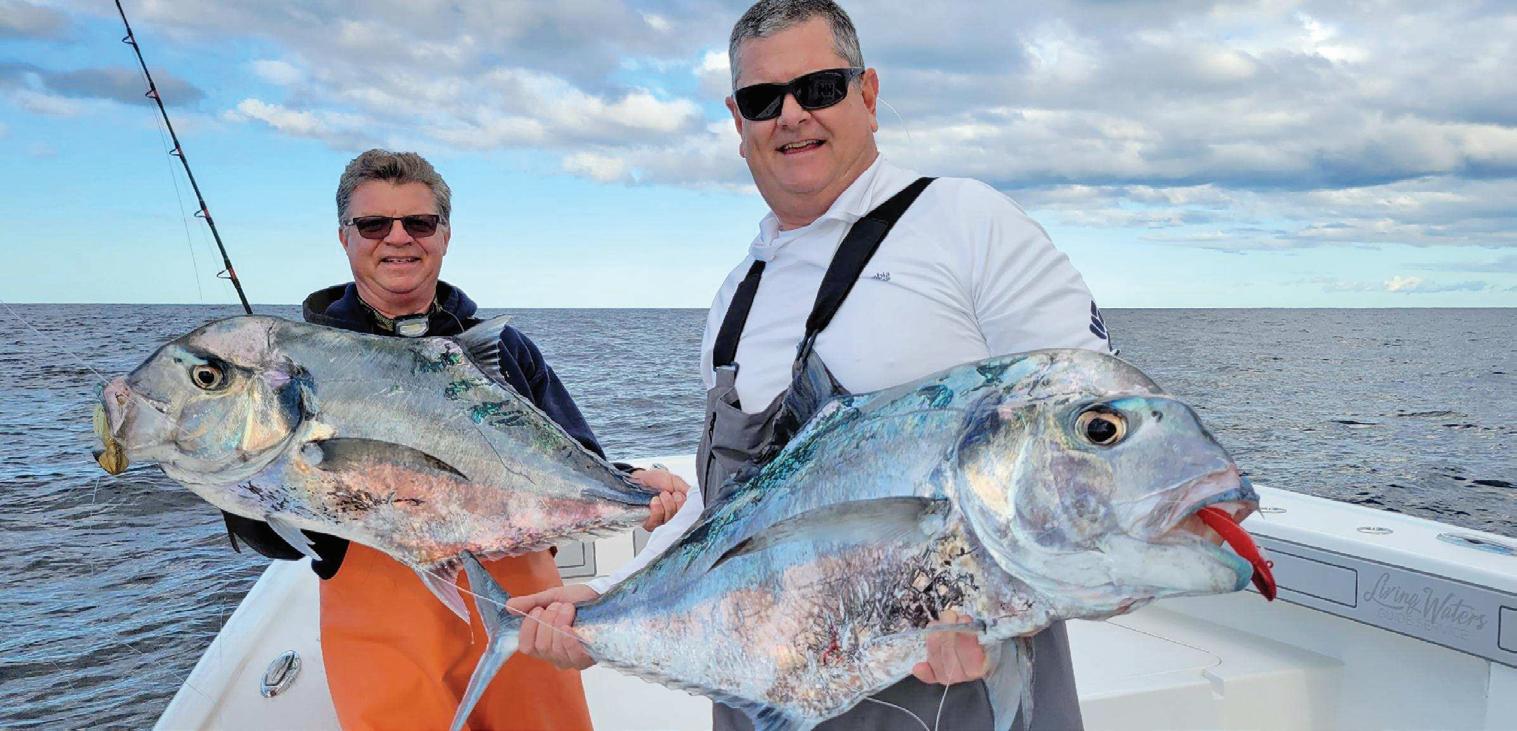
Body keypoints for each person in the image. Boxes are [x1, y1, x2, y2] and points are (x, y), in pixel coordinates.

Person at [512, 1, 1112, 729]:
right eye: (764, 99)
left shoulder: (966, 223)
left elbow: (1091, 447)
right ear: (738, 124)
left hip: (958, 696)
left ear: (868, 94)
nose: (792, 115)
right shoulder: (737, 295)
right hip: (760, 695)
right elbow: (726, 509)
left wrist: (997, 613)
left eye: (819, 88)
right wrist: (606, 599)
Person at [221, 148, 689, 730]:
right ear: (345, 237)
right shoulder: (296, 365)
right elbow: (280, 541)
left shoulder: (503, 350)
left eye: (419, 222)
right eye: (374, 224)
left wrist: (630, 483)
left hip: (522, 610)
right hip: (383, 635)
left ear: (444, 235)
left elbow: (575, 460)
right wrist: (244, 478)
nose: (398, 238)